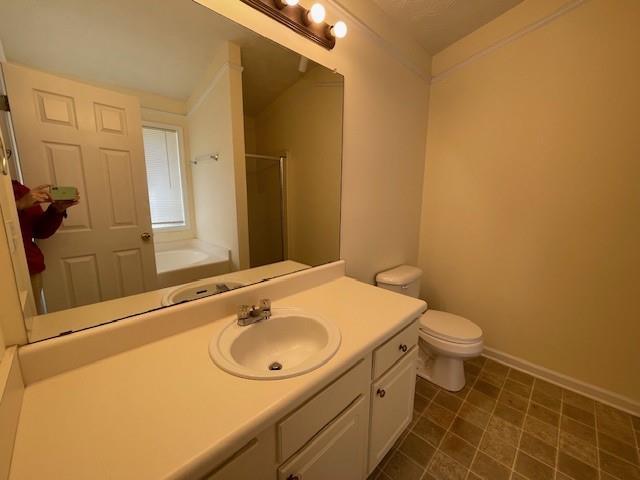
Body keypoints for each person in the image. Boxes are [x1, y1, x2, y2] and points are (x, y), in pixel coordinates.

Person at [12, 181, 79, 314]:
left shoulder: (16, 188)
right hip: (7, 273)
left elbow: (40, 231)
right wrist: (18, 205)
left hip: (30, 269)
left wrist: (56, 211)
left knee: (31, 322)